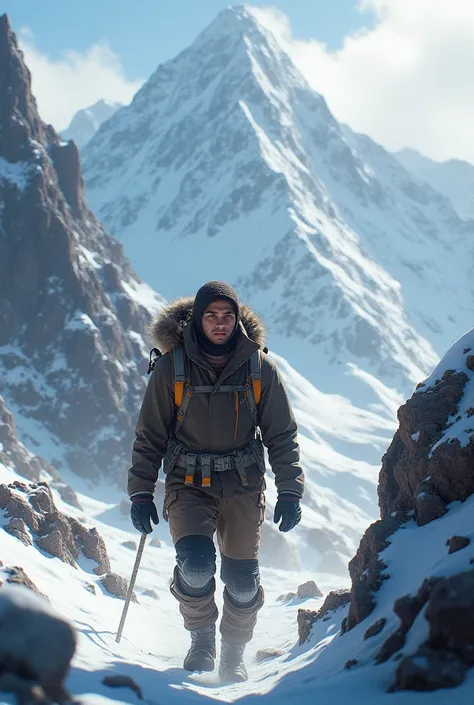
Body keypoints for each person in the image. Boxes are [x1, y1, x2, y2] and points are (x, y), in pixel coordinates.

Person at [128, 281, 304, 683]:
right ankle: (202, 638)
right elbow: (150, 435)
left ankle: (234, 653)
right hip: (187, 485)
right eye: (212, 315)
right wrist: (140, 492)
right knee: (195, 565)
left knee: (243, 583)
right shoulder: (171, 367)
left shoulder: (259, 368)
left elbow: (281, 434)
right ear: (198, 318)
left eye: (228, 316)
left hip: (243, 486)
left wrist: (291, 490)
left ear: (237, 319)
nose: (220, 324)